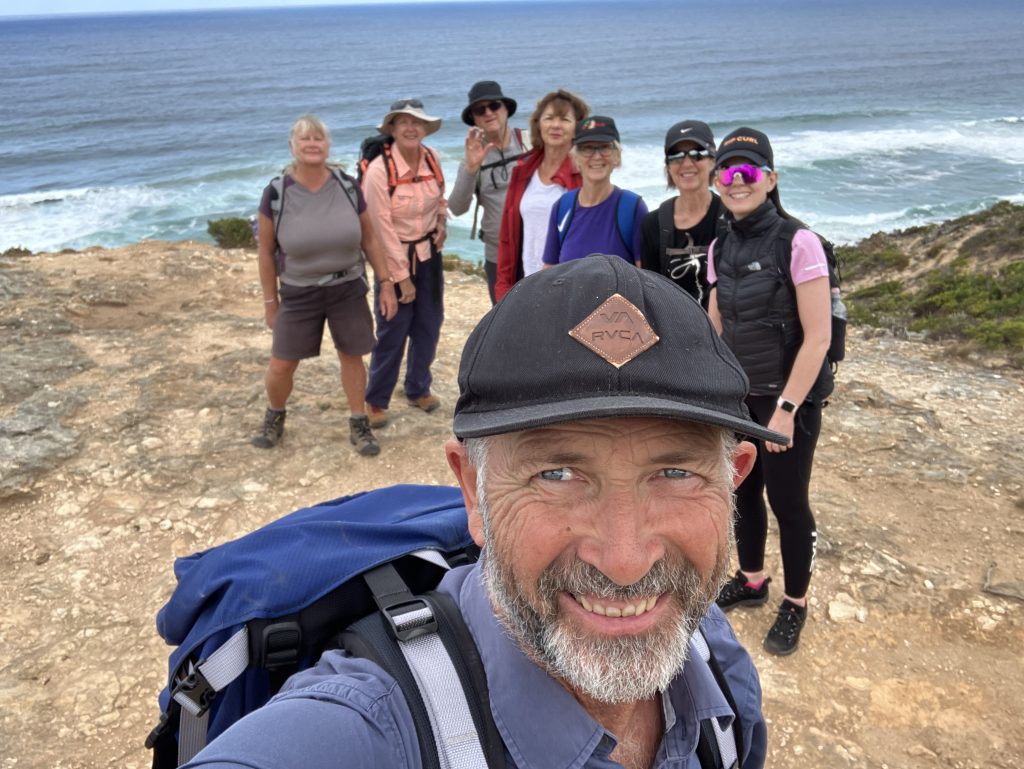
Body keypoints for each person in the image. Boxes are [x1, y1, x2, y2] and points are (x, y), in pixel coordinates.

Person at [182, 255, 773, 769]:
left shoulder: (711, 652)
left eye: (675, 473)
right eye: (557, 475)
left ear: (733, 480)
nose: (624, 563)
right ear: (473, 492)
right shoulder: (364, 729)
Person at [706, 127, 832, 656]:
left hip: (787, 403)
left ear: (770, 179)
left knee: (787, 500)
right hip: (740, 399)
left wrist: (785, 410)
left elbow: (819, 335)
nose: (737, 181)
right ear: (717, 183)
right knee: (742, 494)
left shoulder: (798, 242)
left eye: (748, 171)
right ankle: (753, 579)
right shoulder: (719, 244)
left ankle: (796, 601)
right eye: (727, 173)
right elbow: (716, 325)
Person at [251, 114, 397, 457]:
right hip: (298, 292)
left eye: (319, 139)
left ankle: (358, 421)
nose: (313, 144)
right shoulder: (275, 192)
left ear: (328, 145)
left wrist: (386, 282)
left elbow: (371, 238)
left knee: (352, 356)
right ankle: (275, 414)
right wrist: (270, 302)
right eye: (305, 139)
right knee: (281, 363)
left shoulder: (348, 186)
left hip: (346, 286)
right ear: (293, 146)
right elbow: (265, 252)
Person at [362, 98, 447, 429]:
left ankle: (417, 388)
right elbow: (380, 230)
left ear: (425, 128)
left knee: (429, 324)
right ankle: (376, 399)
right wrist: (400, 278)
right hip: (393, 260)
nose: (411, 128)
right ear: (392, 129)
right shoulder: (380, 171)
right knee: (392, 329)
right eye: (403, 122)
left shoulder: (432, 158)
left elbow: (439, 195)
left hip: (429, 256)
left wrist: (441, 222)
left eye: (417, 122)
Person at [494, 88, 588, 301]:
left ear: (577, 128)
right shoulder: (523, 171)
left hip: (568, 287)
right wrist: (503, 289)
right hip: (526, 282)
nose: (555, 125)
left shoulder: (583, 175)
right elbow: (507, 238)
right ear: (539, 124)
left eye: (564, 119)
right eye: (549, 118)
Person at [447, 80, 528, 305]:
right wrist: (470, 169)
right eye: (480, 110)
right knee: (504, 320)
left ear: (505, 109)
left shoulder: (530, 142)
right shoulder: (473, 154)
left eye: (494, 106)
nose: (488, 113)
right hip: (498, 255)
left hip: (536, 248)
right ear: (474, 118)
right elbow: (456, 207)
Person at [541, 115, 647, 268]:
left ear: (616, 156)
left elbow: (645, 278)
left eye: (604, 147)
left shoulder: (632, 207)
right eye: (587, 148)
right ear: (576, 158)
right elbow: (548, 271)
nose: (596, 156)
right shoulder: (562, 207)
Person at [640, 120, 723, 309]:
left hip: (723, 335)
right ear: (668, 166)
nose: (687, 163)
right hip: (676, 334)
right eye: (676, 156)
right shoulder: (653, 224)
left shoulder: (730, 218)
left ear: (713, 161)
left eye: (697, 154)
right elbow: (651, 295)